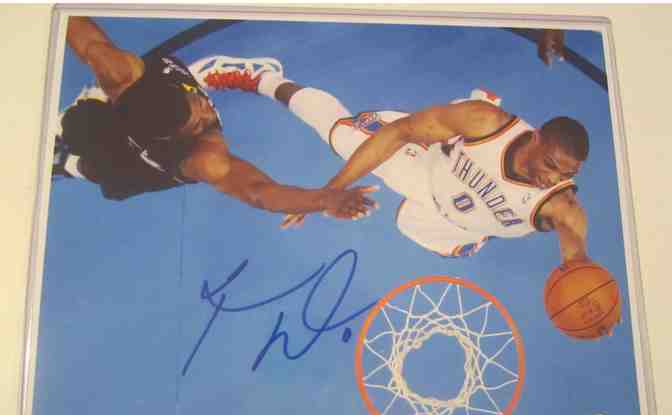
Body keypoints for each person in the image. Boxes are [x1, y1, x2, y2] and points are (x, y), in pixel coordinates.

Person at [195, 56, 589, 264]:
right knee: (340, 133)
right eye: (550, 165)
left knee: (413, 225)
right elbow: (399, 133)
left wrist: (581, 275)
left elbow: (575, 252)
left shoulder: (560, 205)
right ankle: (263, 77)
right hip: (429, 170)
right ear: (536, 137)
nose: (552, 178)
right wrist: (328, 193)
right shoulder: (485, 123)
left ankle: (473, 230)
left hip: (457, 225)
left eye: (566, 175)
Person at [53, 17, 377, 221]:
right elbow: (261, 192)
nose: (207, 111)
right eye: (198, 121)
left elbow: (259, 192)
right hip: (134, 148)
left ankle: (70, 160)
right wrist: (323, 199)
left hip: (141, 136)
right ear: (182, 135)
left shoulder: (122, 75)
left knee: (100, 165)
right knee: (92, 156)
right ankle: (68, 160)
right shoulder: (202, 154)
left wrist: (323, 199)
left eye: (196, 102)